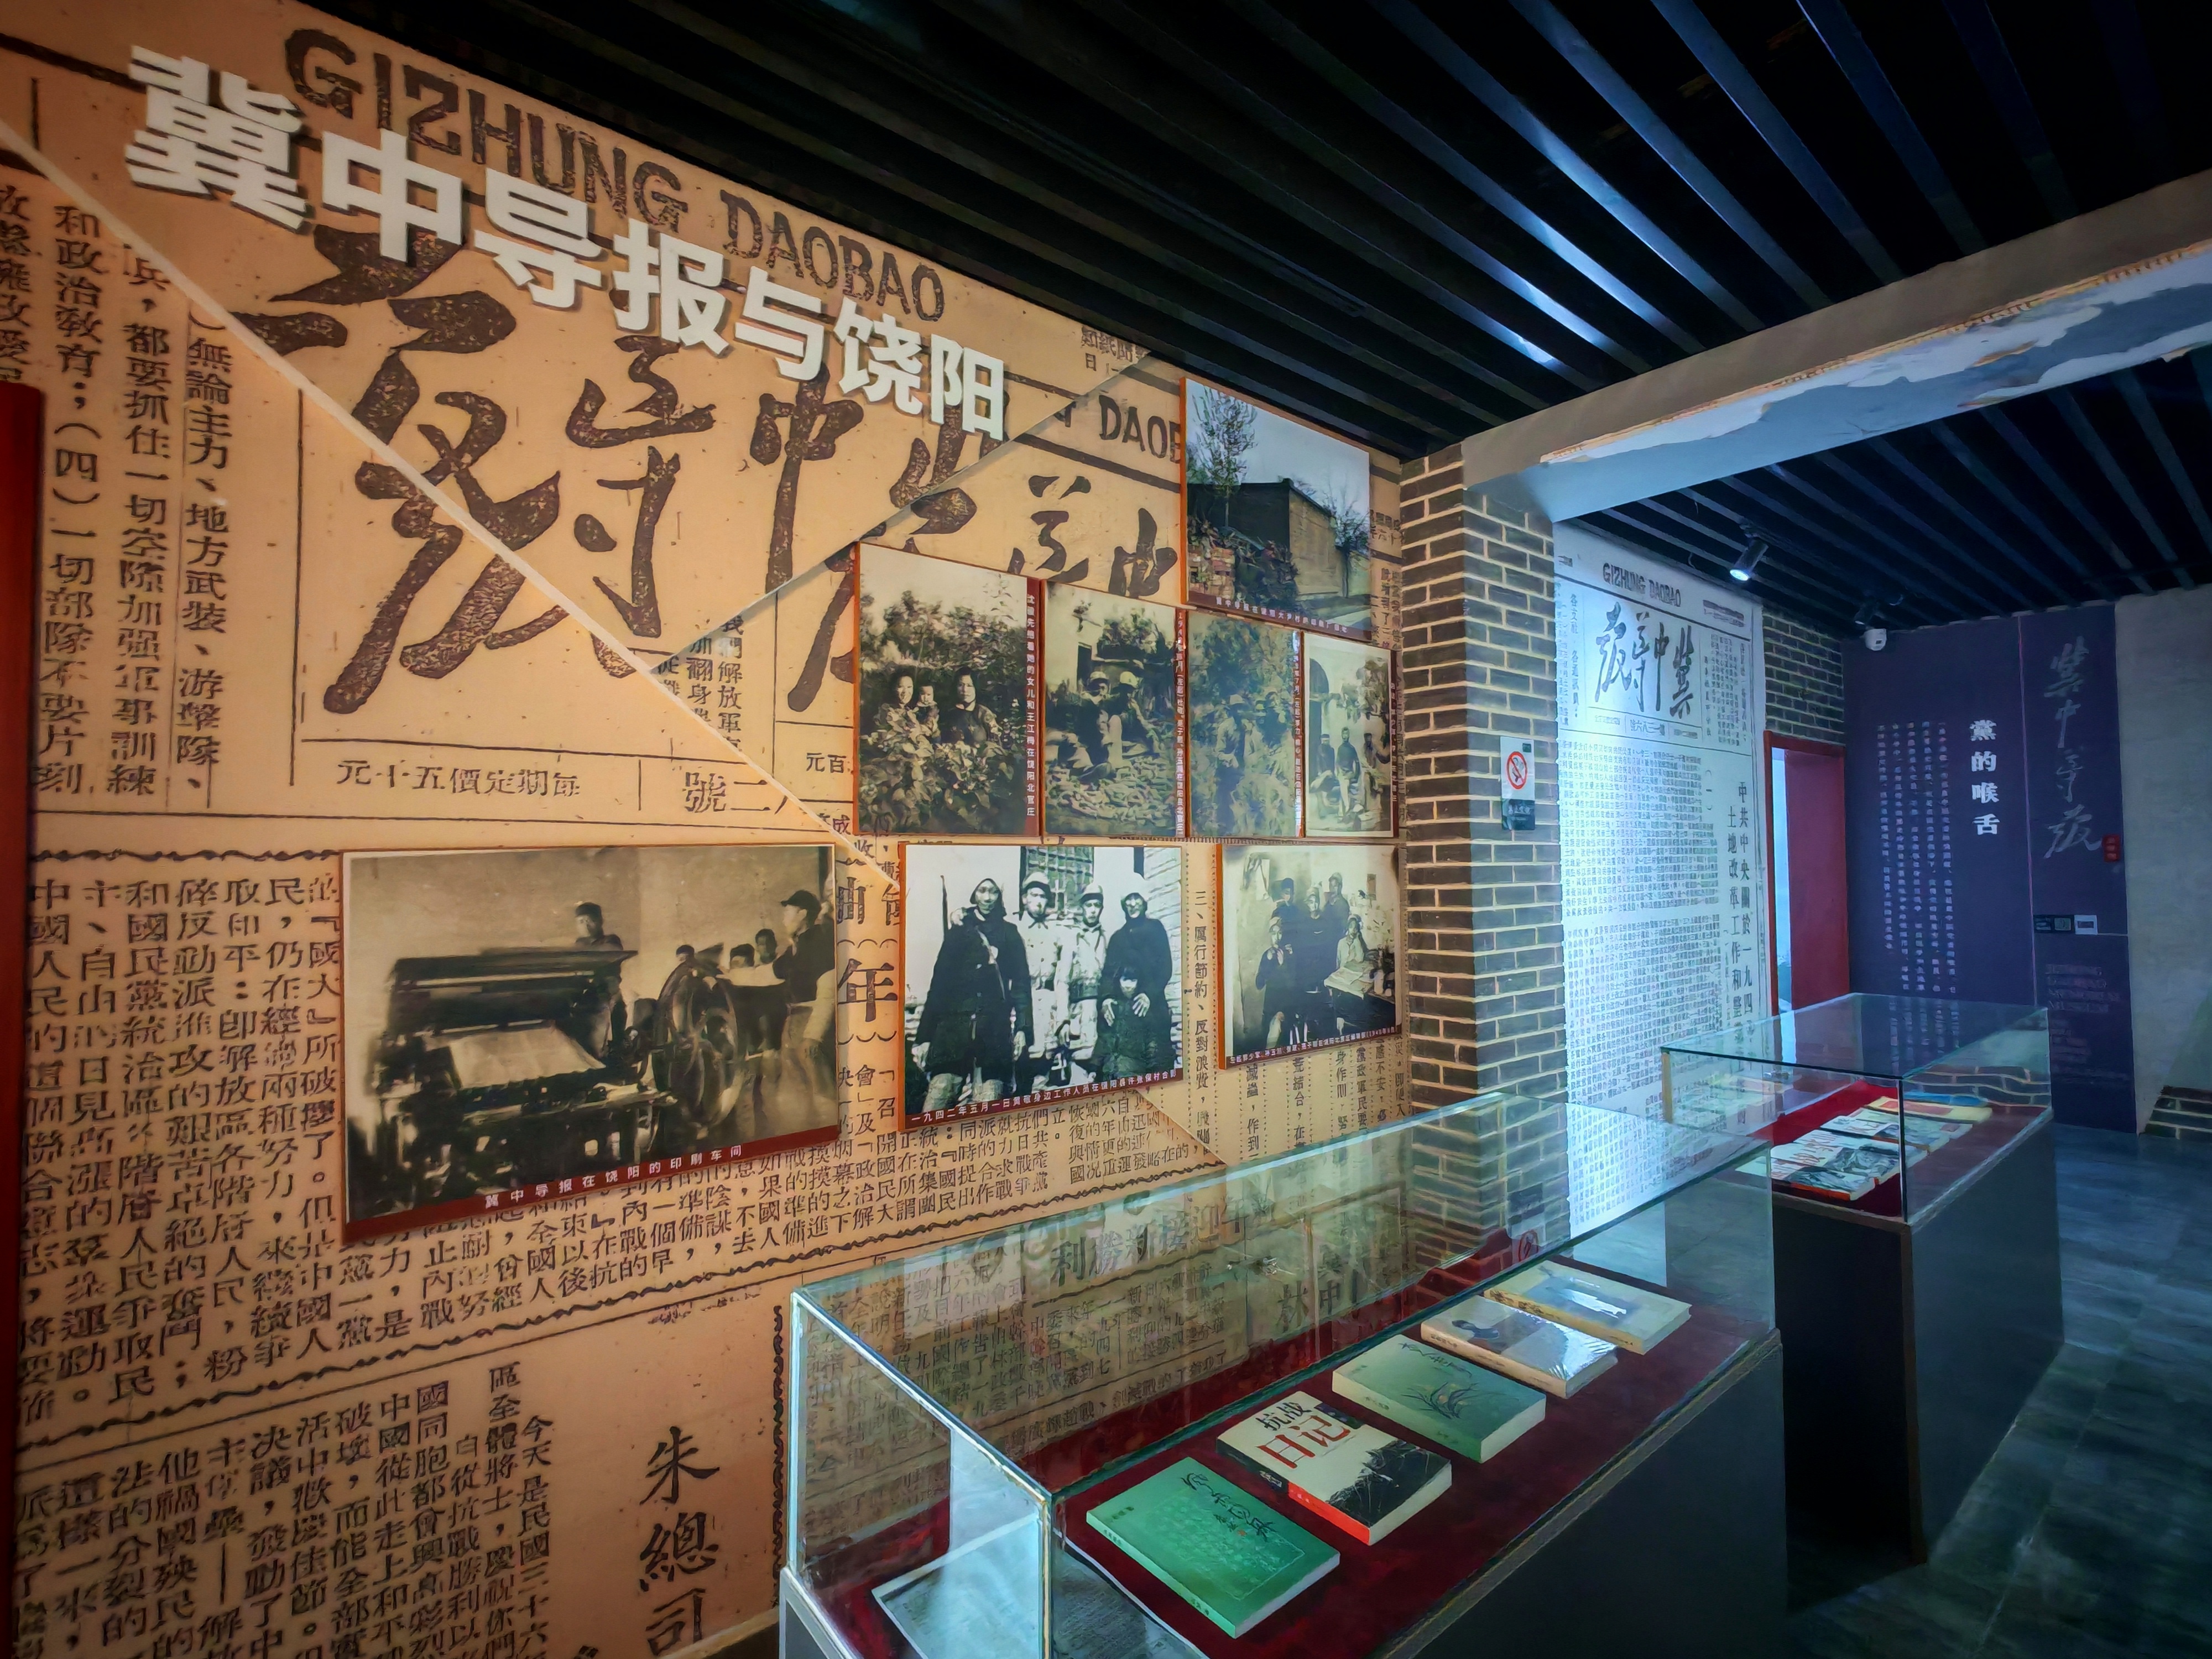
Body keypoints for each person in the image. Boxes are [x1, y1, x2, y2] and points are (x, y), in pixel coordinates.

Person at [915, 878, 1031, 1112]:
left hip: (993, 1034)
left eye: (994, 892)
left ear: (1000, 896)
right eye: (982, 891)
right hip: (953, 1033)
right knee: (937, 1102)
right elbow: (939, 985)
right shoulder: (959, 931)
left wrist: (1022, 1028)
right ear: (974, 894)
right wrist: (924, 1037)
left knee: (988, 1106)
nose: (988, 898)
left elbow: (1021, 985)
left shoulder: (1009, 933)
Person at [773, 889, 835, 1111]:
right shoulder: (794, 949)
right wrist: (726, 975)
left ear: (802, 914)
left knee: (822, 1091)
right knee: (799, 1091)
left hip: (812, 1025)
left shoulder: (820, 942)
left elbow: (828, 992)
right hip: (793, 1025)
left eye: (787, 912)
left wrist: (813, 1037)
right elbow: (770, 973)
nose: (783, 919)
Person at [1014, 876, 1068, 1091]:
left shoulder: (1055, 934)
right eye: (1034, 895)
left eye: (1043, 896)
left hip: (1047, 1010)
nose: (1038, 901)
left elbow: (1061, 979)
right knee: (1018, 1077)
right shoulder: (1014, 930)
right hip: (1021, 1010)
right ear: (1024, 899)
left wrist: (1062, 1018)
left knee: (1043, 1073)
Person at [1100, 890, 1173, 1044]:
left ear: (1144, 902)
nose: (1133, 904)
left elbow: (1165, 967)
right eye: (1129, 900)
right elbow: (1108, 973)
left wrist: (1148, 995)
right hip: (1127, 1013)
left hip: (1154, 1006)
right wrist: (1107, 998)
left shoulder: (1156, 929)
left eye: (1137, 899)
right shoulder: (1118, 938)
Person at [1094, 963, 1175, 1081]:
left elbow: (1153, 1050)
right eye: (1125, 980)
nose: (1128, 986)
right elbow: (1103, 1043)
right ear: (1119, 980)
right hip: (1109, 1074)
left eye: (1133, 980)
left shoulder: (1145, 1012)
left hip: (1134, 1075)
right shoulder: (1112, 1008)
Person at [1062, 885, 1108, 1080]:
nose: (1092, 910)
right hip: (1078, 1014)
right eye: (1088, 905)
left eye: (1097, 905)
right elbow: (1062, 981)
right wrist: (1063, 1021)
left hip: (1101, 1015)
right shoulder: (1072, 938)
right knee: (1078, 1070)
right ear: (1082, 907)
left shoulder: (1106, 937)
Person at [1256, 915, 1302, 1050]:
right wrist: (1268, 962)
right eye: (1273, 933)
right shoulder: (1268, 955)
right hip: (1270, 1008)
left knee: (1277, 1023)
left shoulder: (1290, 955)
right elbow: (1259, 984)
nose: (1276, 937)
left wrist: (1283, 965)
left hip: (1288, 1007)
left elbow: (1293, 986)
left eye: (1280, 933)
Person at [1209, 692, 1249, 833]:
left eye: (1241, 708)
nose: (1239, 711)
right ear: (1231, 710)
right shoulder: (1225, 727)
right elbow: (1219, 752)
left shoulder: (1245, 727)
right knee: (1224, 803)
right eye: (1236, 708)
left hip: (1241, 771)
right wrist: (1230, 758)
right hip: (1225, 771)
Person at [940, 672, 993, 749]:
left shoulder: (984, 713)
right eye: (961, 685)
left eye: (969, 686)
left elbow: (994, 744)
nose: (965, 690)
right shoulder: (948, 712)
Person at [1335, 726, 1363, 826]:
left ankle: (1346, 809)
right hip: (1342, 774)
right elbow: (1337, 763)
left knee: (1344, 783)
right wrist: (1338, 772)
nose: (1345, 736)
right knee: (1343, 783)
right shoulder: (1340, 748)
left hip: (1350, 774)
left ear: (1349, 735)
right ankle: (1343, 812)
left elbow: (1357, 763)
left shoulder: (1352, 749)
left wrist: (1355, 775)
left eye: (1346, 734)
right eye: (1343, 734)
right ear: (1341, 735)